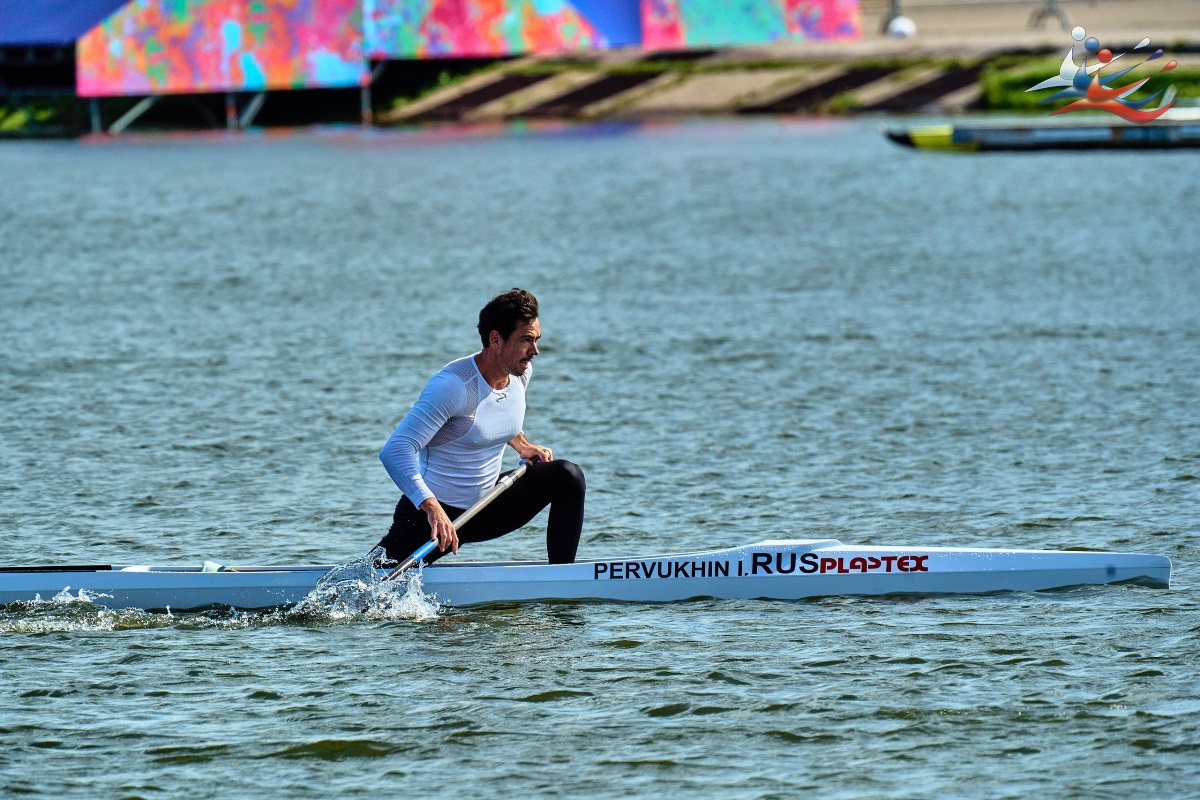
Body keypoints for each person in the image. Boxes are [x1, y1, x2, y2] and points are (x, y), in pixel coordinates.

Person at [376, 288, 585, 566]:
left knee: (567, 476)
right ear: (496, 339)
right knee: (366, 584)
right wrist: (433, 509)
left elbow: (492, 417)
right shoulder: (453, 387)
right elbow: (396, 450)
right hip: (435, 521)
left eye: (536, 340)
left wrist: (521, 444)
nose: (534, 351)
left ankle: (562, 576)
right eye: (526, 340)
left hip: (487, 506)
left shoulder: (519, 373)